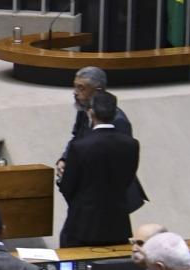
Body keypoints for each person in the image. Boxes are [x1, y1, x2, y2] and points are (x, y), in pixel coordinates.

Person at [53, 66, 146, 213]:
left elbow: (122, 162)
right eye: (75, 87)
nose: (75, 93)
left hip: (109, 196)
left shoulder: (119, 121)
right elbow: (76, 137)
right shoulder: (84, 110)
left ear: (97, 91)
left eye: (81, 88)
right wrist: (64, 158)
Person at [58, 90, 140, 247]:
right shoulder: (132, 145)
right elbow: (128, 179)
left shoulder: (80, 147)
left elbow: (67, 186)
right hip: (118, 224)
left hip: (83, 226)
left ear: (91, 113)